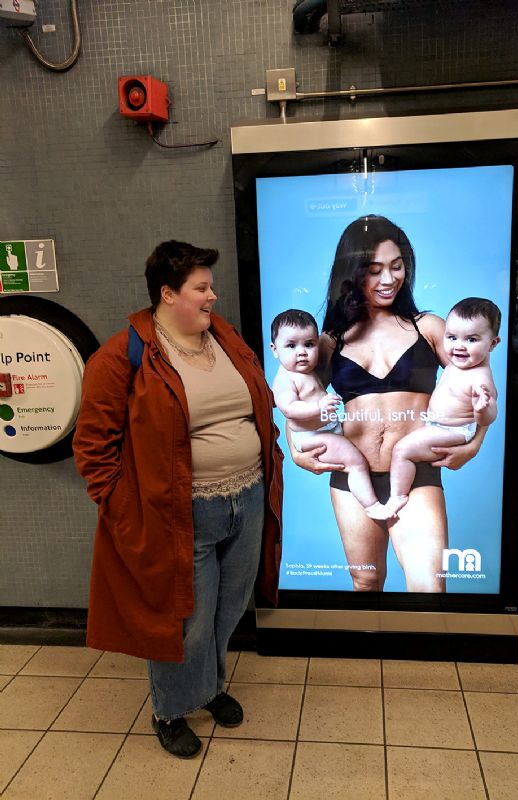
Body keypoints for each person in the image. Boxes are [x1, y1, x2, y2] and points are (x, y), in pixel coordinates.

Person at [73, 240, 283, 759]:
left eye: (211, 287)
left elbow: (258, 401)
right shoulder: (122, 355)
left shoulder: (225, 338)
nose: (213, 296)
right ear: (167, 294)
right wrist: (125, 512)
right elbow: (93, 446)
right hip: (179, 514)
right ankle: (169, 709)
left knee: (227, 609)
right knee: (183, 618)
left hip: (247, 498)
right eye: (202, 288)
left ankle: (207, 687)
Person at [288, 215, 486, 593]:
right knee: (366, 580)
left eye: (396, 267)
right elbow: (294, 397)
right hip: (352, 477)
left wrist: (475, 444)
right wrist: (296, 451)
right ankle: (373, 653)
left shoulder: (427, 327)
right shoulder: (331, 341)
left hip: (417, 476)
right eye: (375, 270)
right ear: (353, 272)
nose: (388, 279)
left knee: (429, 586)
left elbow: (480, 377)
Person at [270, 309, 394, 520]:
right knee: (355, 462)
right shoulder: (285, 379)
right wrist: (319, 407)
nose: (301, 352)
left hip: (326, 430)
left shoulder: (306, 372)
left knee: (355, 451)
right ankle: (371, 505)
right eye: (291, 346)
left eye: (309, 344)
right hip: (313, 437)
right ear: (274, 350)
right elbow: (289, 409)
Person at [386, 297, 500, 514]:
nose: (459, 346)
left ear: (492, 343)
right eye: (452, 337)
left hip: (452, 430)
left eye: (471, 340)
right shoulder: (458, 364)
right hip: (437, 425)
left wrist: (483, 408)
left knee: (402, 450)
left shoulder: (480, 378)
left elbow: (488, 417)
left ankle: (397, 497)